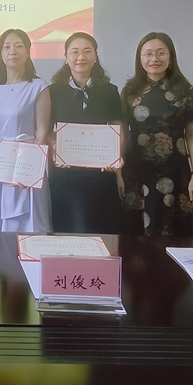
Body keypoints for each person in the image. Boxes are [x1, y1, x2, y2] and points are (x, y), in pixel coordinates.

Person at [120, 32, 193, 237]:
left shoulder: (185, 91)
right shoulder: (129, 92)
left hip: (175, 172)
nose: (154, 59)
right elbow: (123, 134)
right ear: (140, 58)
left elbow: (192, 135)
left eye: (160, 53)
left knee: (173, 233)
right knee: (136, 235)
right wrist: (117, 172)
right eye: (148, 54)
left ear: (170, 56)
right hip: (137, 172)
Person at [0, 29, 51, 232]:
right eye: (6, 47)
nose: (12, 51)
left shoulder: (39, 87)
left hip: (26, 165)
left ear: (28, 51)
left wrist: (29, 171)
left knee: (27, 225)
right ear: (0, 53)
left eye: (19, 46)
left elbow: (42, 134)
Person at [48, 32, 124, 234]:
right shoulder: (53, 92)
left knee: (102, 231)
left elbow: (117, 128)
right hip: (65, 175)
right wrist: (55, 147)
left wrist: (115, 157)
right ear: (66, 57)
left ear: (95, 56)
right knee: (68, 230)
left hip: (101, 173)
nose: (81, 57)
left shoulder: (109, 91)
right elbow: (46, 131)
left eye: (87, 51)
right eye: (74, 52)